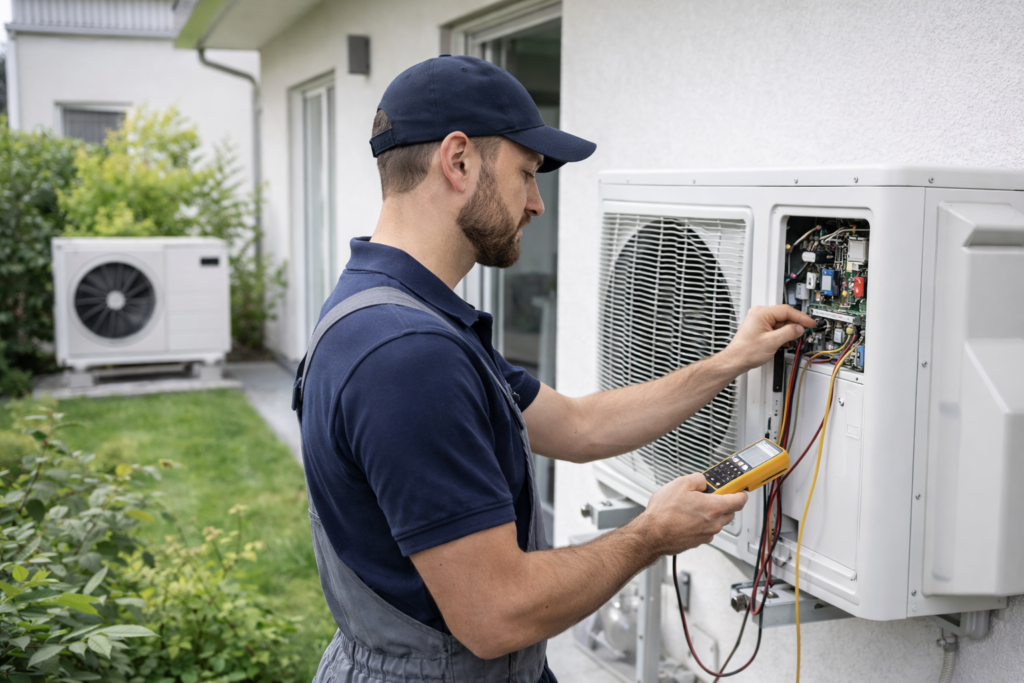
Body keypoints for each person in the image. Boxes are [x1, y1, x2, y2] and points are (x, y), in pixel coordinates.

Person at [294, 54, 815, 683]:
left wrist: (731, 361)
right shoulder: (407, 356)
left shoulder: (388, 310)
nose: (537, 204)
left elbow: (576, 426)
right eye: (527, 173)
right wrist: (652, 535)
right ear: (458, 161)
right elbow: (497, 614)